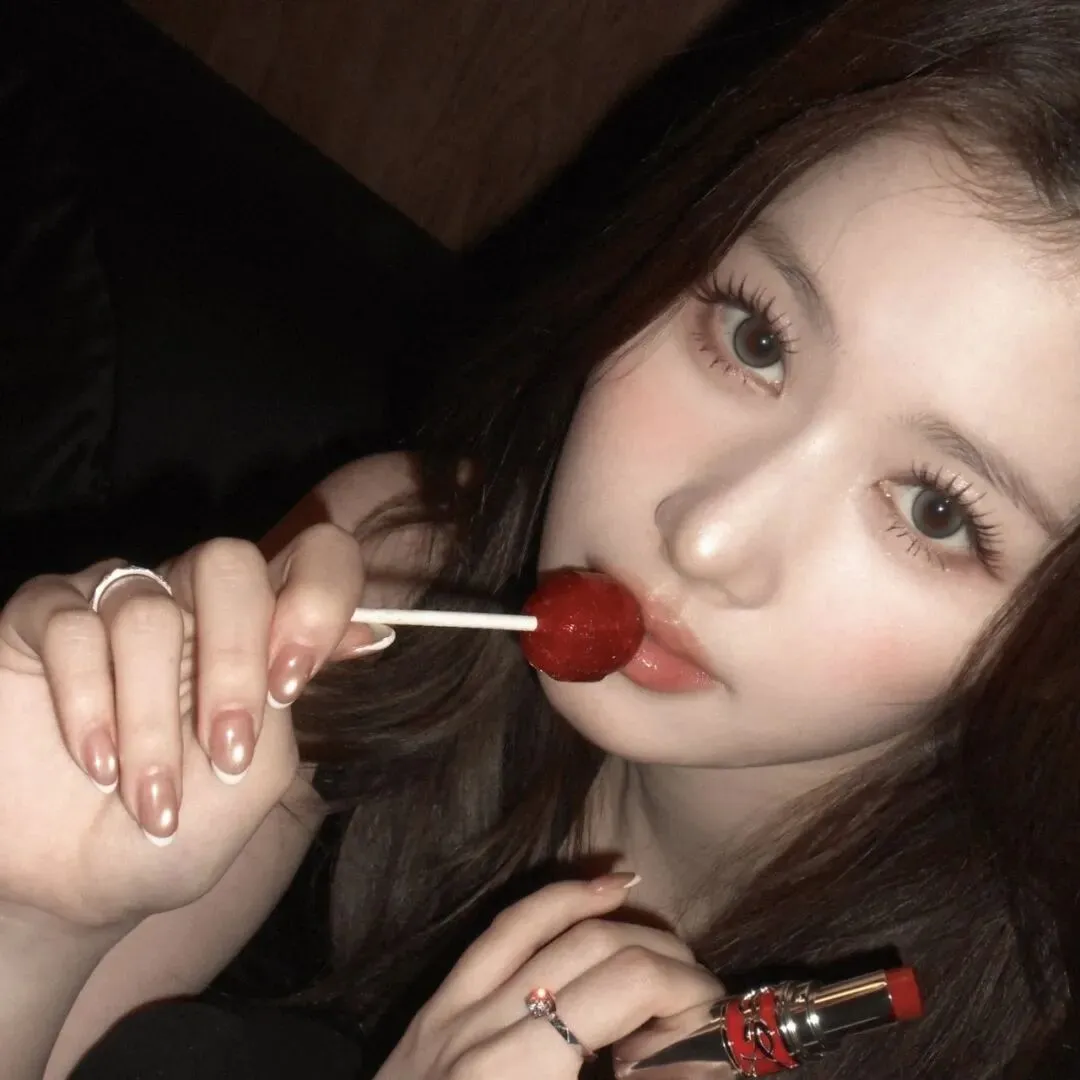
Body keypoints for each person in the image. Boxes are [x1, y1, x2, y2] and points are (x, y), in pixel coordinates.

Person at [3, 0, 1080, 1076]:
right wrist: (31, 920)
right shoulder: (395, 571)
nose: (707, 538)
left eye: (937, 512)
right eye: (756, 338)